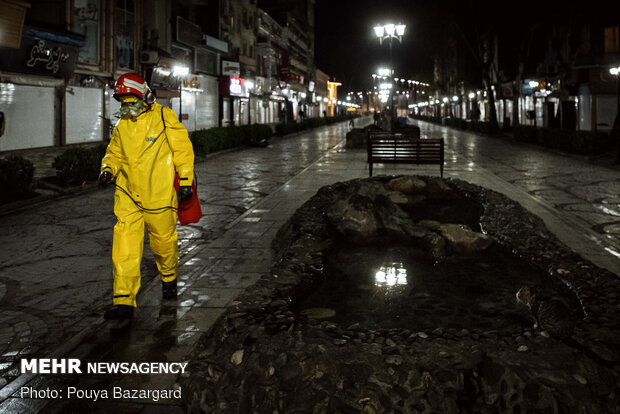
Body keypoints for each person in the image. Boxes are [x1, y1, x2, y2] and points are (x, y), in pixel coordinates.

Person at [98, 72, 195, 320]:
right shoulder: (122, 126)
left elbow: (182, 149)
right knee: (124, 248)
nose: (128, 108)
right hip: (128, 194)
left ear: (145, 97)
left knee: (163, 244)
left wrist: (185, 180)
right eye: (124, 104)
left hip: (159, 196)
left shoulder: (164, 117)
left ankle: (169, 277)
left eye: (132, 103)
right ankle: (123, 302)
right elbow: (114, 153)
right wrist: (107, 170)